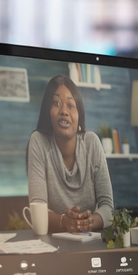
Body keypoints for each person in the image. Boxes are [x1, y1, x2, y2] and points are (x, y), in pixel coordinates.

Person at [27, 75, 113, 233]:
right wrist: (63, 222)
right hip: (52, 244)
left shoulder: (91, 142)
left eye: (71, 105)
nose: (64, 111)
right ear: (48, 112)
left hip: (90, 241)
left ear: (79, 115)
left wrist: (87, 223)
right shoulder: (38, 141)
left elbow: (107, 207)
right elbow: (37, 210)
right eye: (56, 103)